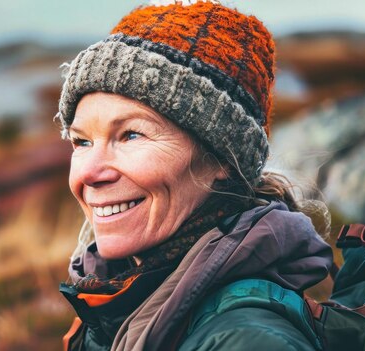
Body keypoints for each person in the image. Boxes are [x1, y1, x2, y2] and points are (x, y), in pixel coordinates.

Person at [55, 1, 338, 350]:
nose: (89, 172)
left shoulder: (247, 341)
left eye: (130, 135)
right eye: (81, 141)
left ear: (222, 158)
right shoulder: (118, 290)